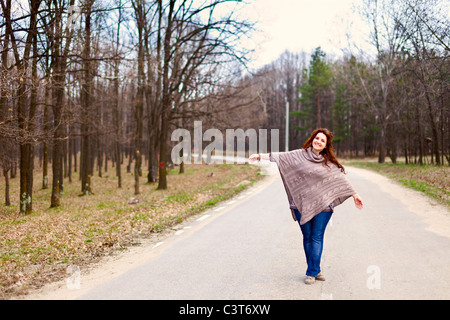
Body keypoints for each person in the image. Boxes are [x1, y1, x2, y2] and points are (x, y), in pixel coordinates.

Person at [249, 128, 363, 285]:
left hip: (324, 206)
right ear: (312, 139)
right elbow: (279, 156)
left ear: (325, 145)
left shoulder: (328, 163)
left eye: (322, 141)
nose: (318, 141)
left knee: (316, 237)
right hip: (301, 204)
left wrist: (355, 195)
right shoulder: (298, 155)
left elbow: (341, 179)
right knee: (307, 237)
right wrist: (259, 156)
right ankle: (316, 269)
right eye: (317, 138)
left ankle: (311, 273)